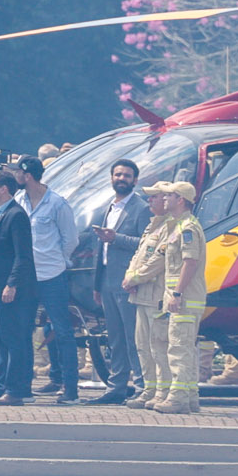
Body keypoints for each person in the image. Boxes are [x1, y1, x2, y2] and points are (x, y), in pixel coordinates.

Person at [125, 179, 207, 414]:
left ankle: (177, 398)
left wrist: (177, 293)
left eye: (169, 196)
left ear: (180, 199)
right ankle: (189, 397)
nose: (164, 199)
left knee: (178, 348)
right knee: (181, 348)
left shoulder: (187, 228)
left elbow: (189, 263)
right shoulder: (178, 226)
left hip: (184, 298)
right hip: (179, 297)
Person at [12, 156, 83, 402]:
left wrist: (57, 260)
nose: (15, 178)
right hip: (26, 276)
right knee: (24, 330)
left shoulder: (57, 204)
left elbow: (70, 239)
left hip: (52, 274)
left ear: (26, 175)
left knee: (62, 331)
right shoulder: (18, 200)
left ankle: (71, 389)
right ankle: (24, 388)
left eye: (17, 173)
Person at [82, 158, 148, 405]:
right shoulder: (109, 207)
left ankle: (142, 386)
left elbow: (145, 244)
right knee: (115, 337)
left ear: (135, 180)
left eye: (127, 175)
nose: (121, 179)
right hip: (108, 279)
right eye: (118, 175)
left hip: (129, 280)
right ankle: (117, 385)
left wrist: (116, 237)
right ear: (111, 178)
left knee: (134, 336)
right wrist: (97, 284)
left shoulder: (141, 208)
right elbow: (101, 250)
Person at [0, 172, 37, 405]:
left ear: (4, 189)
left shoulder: (16, 215)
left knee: (15, 338)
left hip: (11, 286)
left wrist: (12, 283)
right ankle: (1, 387)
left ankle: (16, 389)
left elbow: (23, 256)